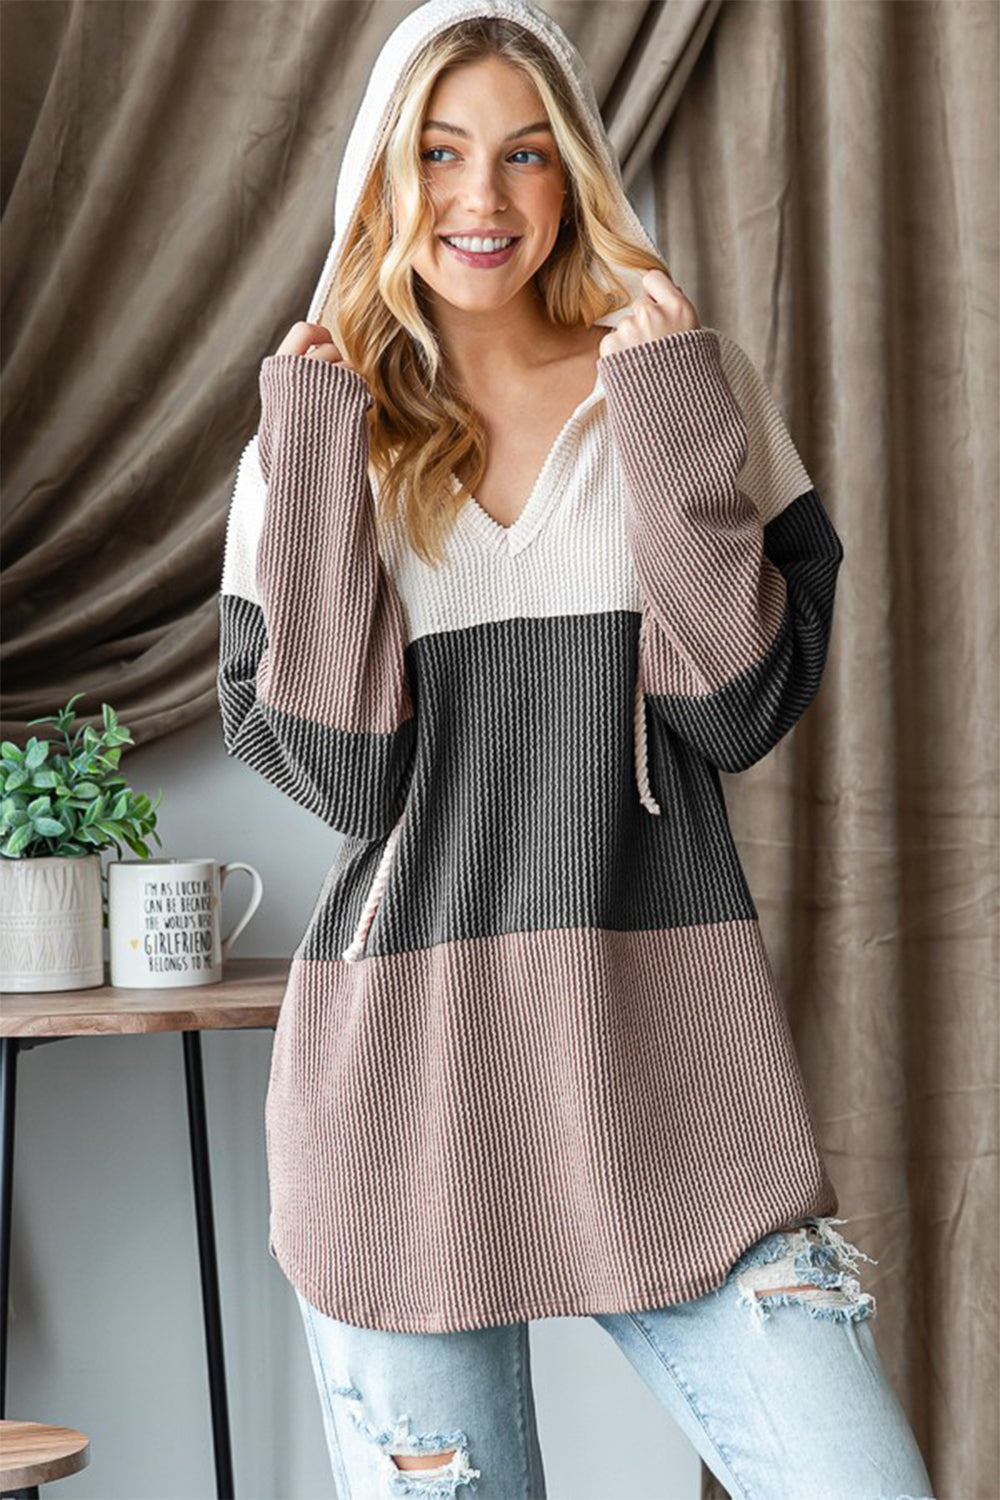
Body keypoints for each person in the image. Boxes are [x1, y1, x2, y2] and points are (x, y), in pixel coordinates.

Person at [216, 1, 935, 1494]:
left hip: (673, 1078)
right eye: (439, 152)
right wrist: (318, 443)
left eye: (526, 153)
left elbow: (736, 709)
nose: (481, 198)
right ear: (382, 175)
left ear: (579, 174)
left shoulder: (684, 390)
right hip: (406, 1106)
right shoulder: (315, 436)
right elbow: (346, 778)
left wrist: (669, 419)